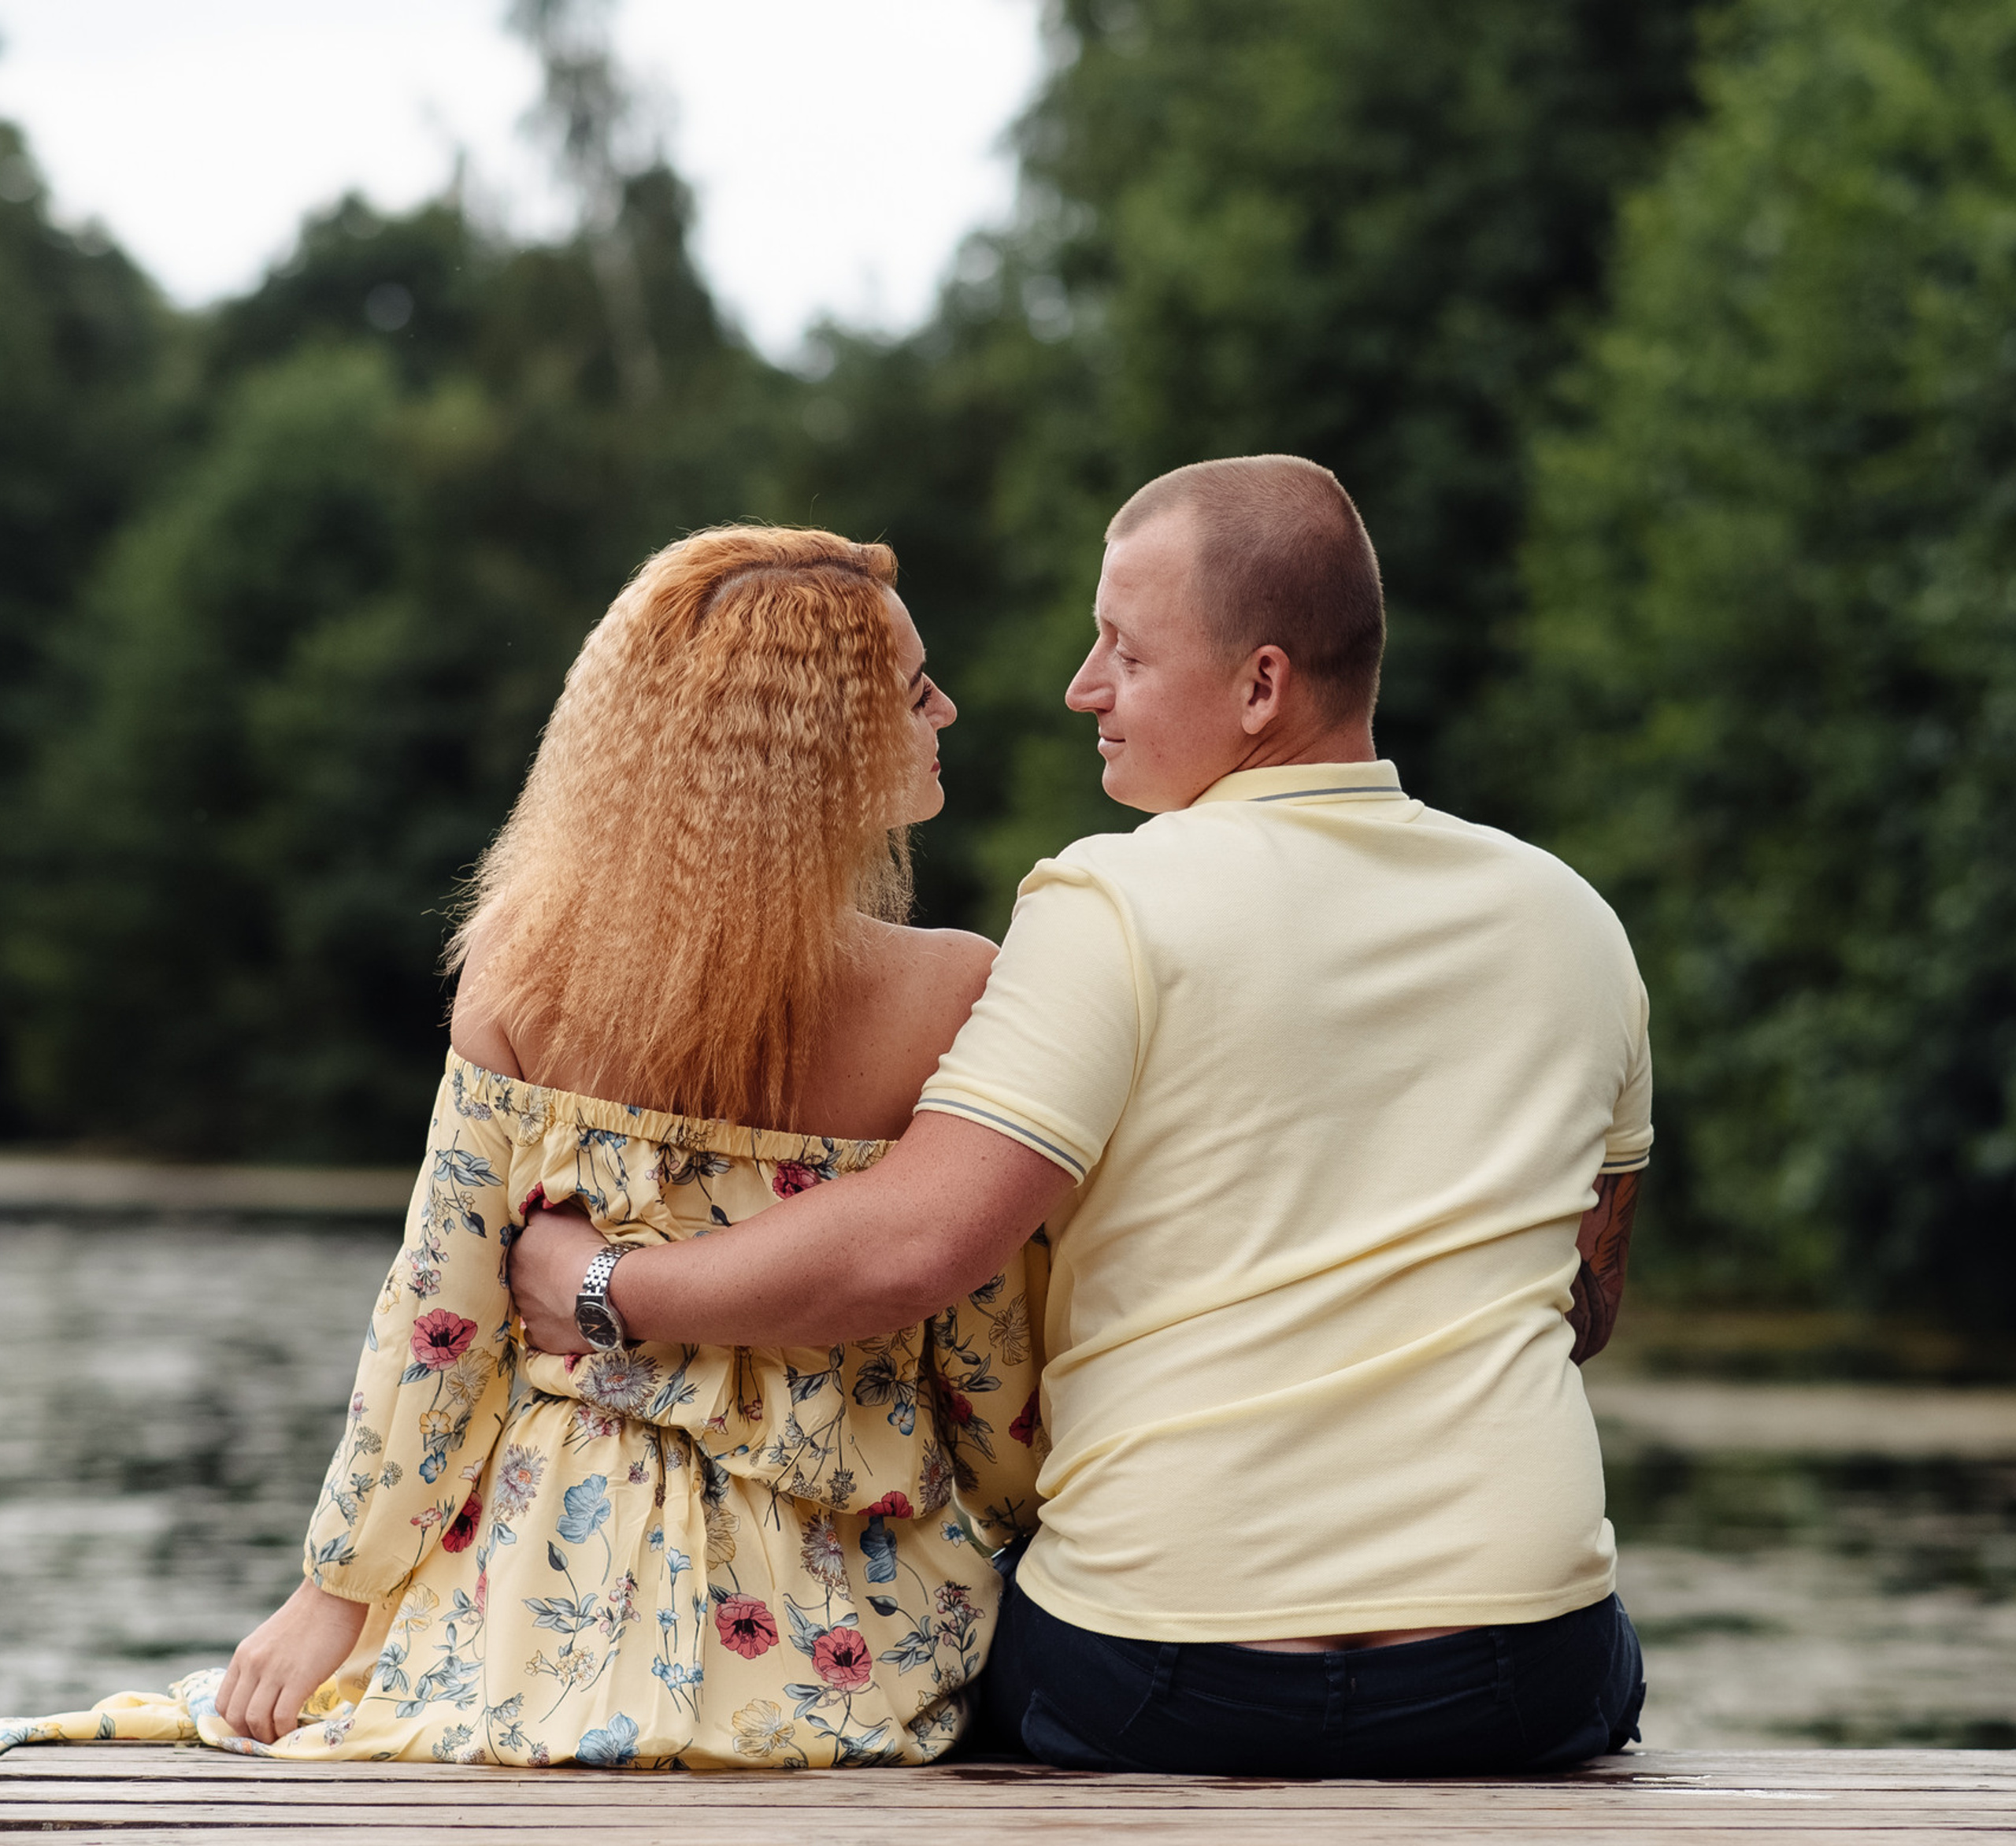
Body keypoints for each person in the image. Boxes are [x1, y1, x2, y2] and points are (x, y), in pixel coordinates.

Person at [511, 454, 1653, 1777]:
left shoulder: (1113, 904)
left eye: (1124, 648)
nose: (1082, 687)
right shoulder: (1576, 922)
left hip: (1170, 1671)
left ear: (1262, 685)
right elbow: (1589, 1306)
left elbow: (914, 1246)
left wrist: (607, 1289)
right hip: (1518, 1673)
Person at [0, 526, 1043, 1770]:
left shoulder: (522, 965)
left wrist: (336, 1590)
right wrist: (1014, 1518)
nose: (949, 709)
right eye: (917, 688)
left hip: (548, 1554)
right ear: (827, 745)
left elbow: (439, 1318)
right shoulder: (959, 991)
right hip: (836, 1587)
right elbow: (985, 1355)